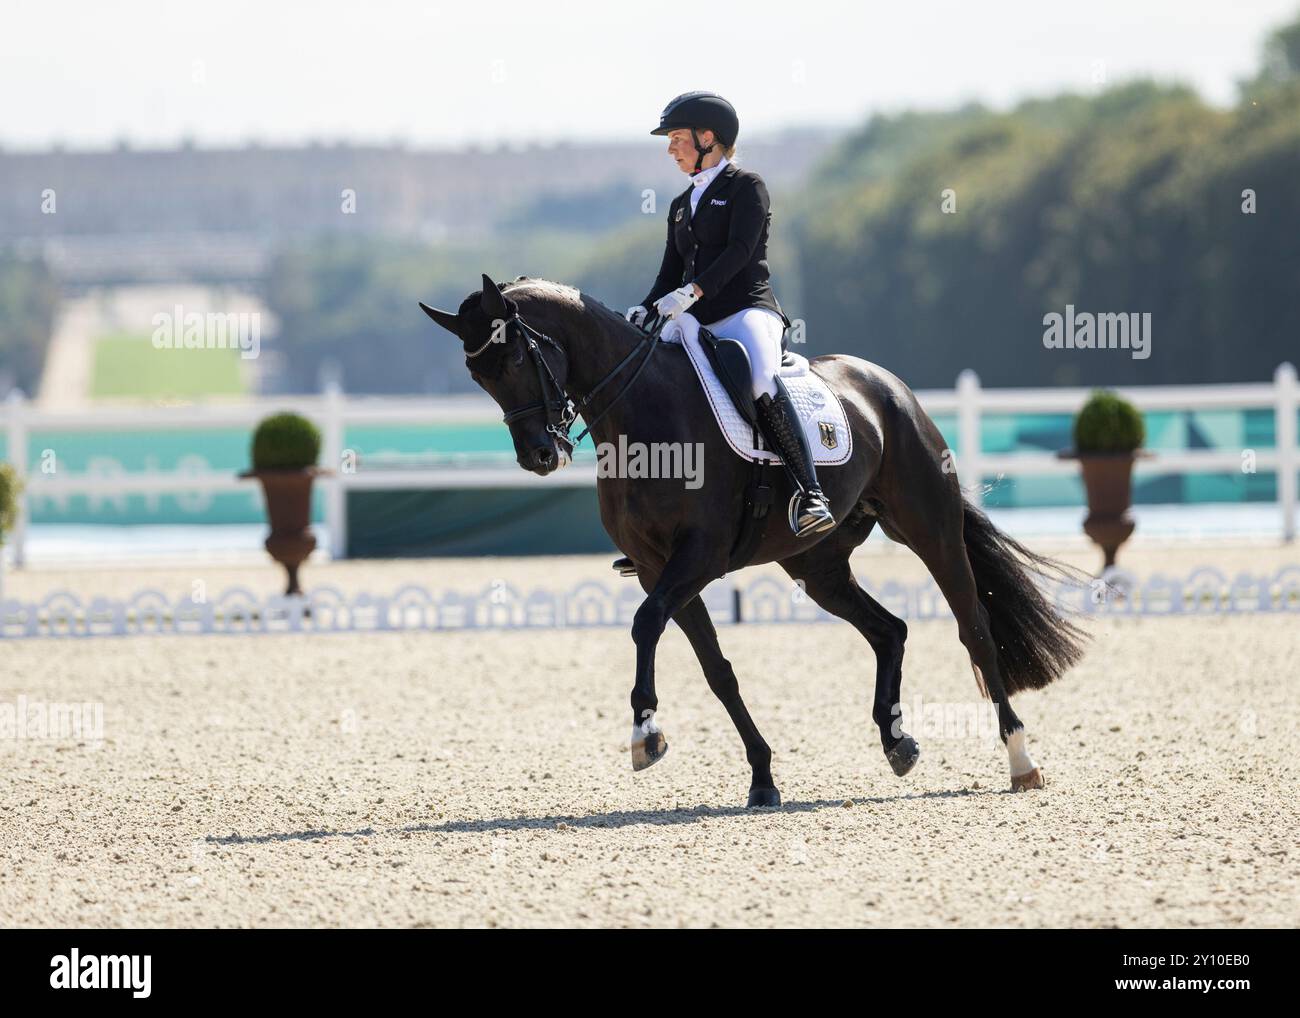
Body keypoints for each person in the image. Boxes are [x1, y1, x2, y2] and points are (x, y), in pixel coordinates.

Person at [626, 90, 834, 537]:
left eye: (678, 138)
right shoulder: (681, 205)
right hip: (694, 317)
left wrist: (694, 290)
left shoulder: (747, 186)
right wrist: (645, 309)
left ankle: (809, 491)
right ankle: (650, 515)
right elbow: (668, 271)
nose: (670, 148)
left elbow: (741, 251)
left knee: (759, 377)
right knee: (647, 377)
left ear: (709, 138)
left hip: (746, 311)